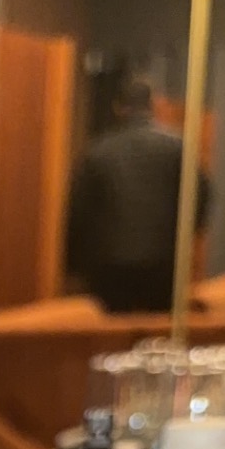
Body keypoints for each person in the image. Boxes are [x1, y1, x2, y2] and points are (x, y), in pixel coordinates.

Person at [65, 78, 210, 314]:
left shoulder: (98, 152)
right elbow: (201, 196)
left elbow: (78, 212)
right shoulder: (177, 148)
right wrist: (182, 237)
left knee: (114, 329)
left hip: (109, 263)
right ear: (153, 105)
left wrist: (73, 267)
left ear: (118, 107)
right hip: (162, 261)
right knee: (159, 328)